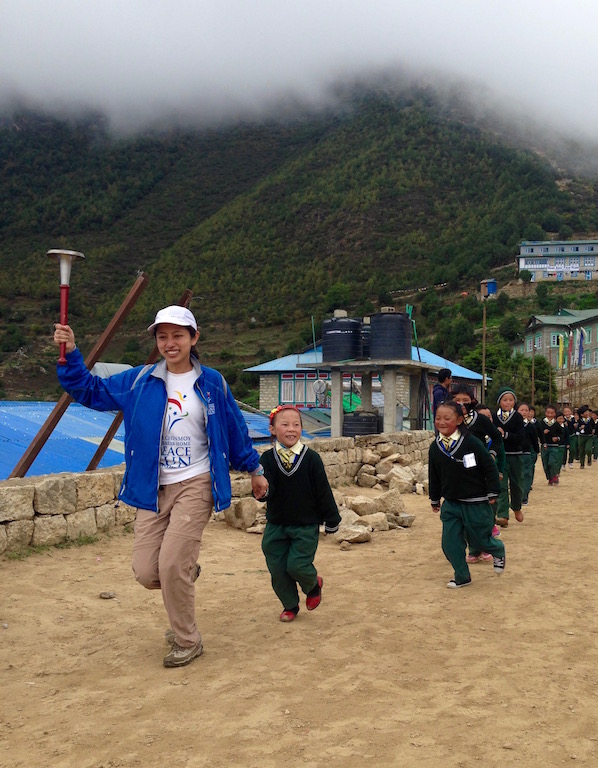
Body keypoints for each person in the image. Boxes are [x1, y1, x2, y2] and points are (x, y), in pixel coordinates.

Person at [53, 305, 268, 668]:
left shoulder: (212, 382)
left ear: (194, 338)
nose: (170, 343)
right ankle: (182, 575)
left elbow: (234, 428)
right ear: (156, 340)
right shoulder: (139, 380)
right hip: (152, 488)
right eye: (162, 336)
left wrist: (254, 468)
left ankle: (188, 640)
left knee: (170, 567)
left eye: (178, 335)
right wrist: (71, 352)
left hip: (196, 484)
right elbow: (87, 389)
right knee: (147, 572)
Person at [258, 405, 341, 622]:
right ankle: (290, 606)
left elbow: (323, 490)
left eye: (296, 424)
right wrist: (262, 492)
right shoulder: (267, 459)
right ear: (273, 429)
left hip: (305, 525)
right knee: (277, 568)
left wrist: (332, 519)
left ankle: (313, 586)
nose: (291, 429)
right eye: (284, 424)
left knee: (297, 565)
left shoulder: (311, 458)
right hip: (276, 524)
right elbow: (267, 488)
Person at [429, 400, 505, 588]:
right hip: (451, 503)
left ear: (460, 420)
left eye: (447, 418)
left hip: (476, 502)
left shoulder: (472, 442)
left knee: (479, 540)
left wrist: (493, 491)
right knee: (450, 544)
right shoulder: (435, 447)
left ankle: (497, 549)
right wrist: (434, 498)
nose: (442, 422)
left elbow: (489, 467)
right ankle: (462, 576)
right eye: (438, 418)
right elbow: (434, 474)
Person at [451, 384, 504, 555]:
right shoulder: (448, 421)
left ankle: (485, 543)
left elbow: (496, 437)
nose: (461, 404)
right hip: (459, 472)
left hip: (480, 471)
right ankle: (474, 549)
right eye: (456, 400)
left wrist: (492, 455)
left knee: (480, 510)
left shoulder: (480, 420)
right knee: (464, 511)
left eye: (465, 401)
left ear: (472, 401)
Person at [492, 386, 525, 527]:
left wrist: (505, 435)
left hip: (515, 455)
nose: (508, 402)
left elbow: (521, 437)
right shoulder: (493, 417)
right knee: (501, 485)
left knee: (517, 484)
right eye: (505, 400)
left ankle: (516, 507)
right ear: (500, 402)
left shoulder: (517, 417)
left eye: (511, 400)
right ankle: (503, 515)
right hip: (501, 456)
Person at [518, 402, 539, 504]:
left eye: (526, 410)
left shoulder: (530, 426)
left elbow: (534, 440)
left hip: (526, 453)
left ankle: (524, 496)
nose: (525, 412)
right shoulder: (512, 424)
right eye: (522, 410)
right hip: (515, 453)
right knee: (517, 475)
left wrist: (536, 451)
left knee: (526, 474)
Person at [540, 404, 564, 485]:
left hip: (554, 446)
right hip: (545, 446)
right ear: (545, 413)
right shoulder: (541, 423)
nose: (550, 415)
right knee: (546, 464)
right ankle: (550, 478)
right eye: (548, 413)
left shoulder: (556, 424)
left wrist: (557, 438)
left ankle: (554, 476)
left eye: (552, 413)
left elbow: (562, 433)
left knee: (552, 462)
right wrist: (542, 433)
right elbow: (536, 433)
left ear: (555, 414)